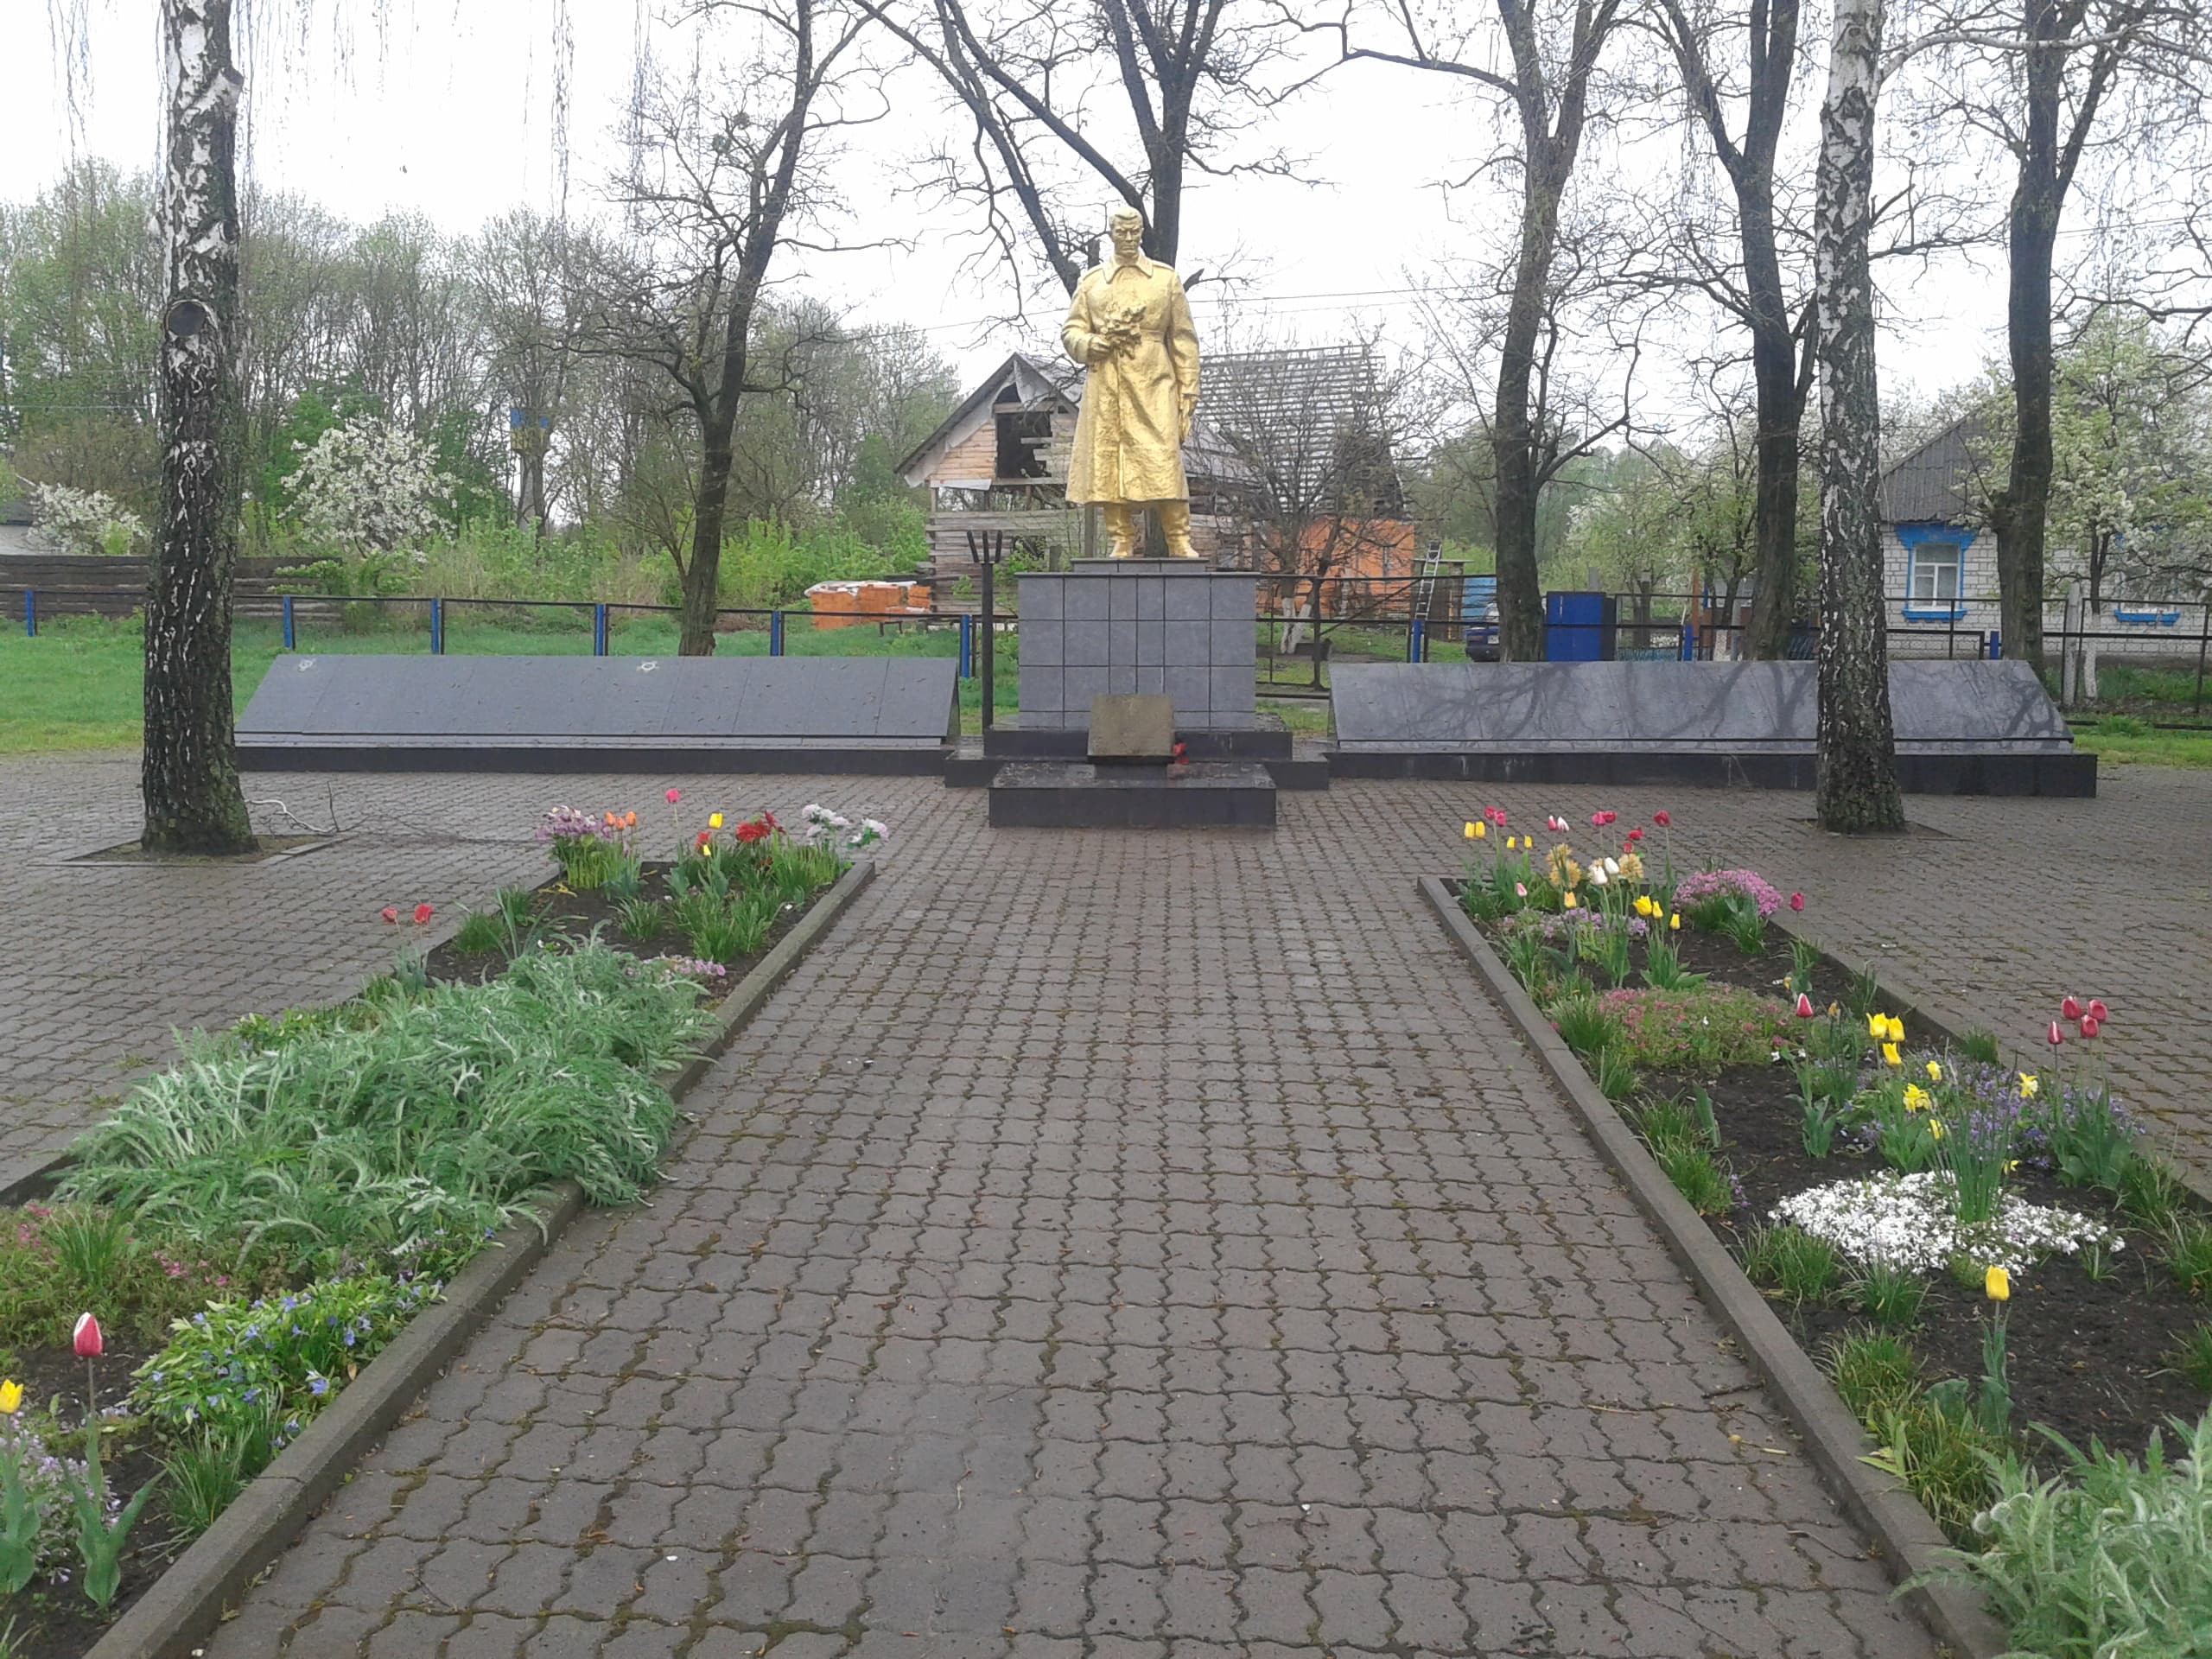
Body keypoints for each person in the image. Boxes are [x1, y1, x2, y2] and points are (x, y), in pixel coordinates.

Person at [1061, 207, 1202, 558]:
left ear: (1141, 233)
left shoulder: (1165, 279)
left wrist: (1188, 390)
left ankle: (1179, 537)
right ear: (1111, 234)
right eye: (1121, 233)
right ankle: (1121, 538)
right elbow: (1072, 330)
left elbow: (1183, 339)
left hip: (1154, 382)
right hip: (1107, 382)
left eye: (1134, 232)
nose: (1127, 239)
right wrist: (1090, 344)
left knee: (1164, 457)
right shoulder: (1092, 282)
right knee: (1109, 461)